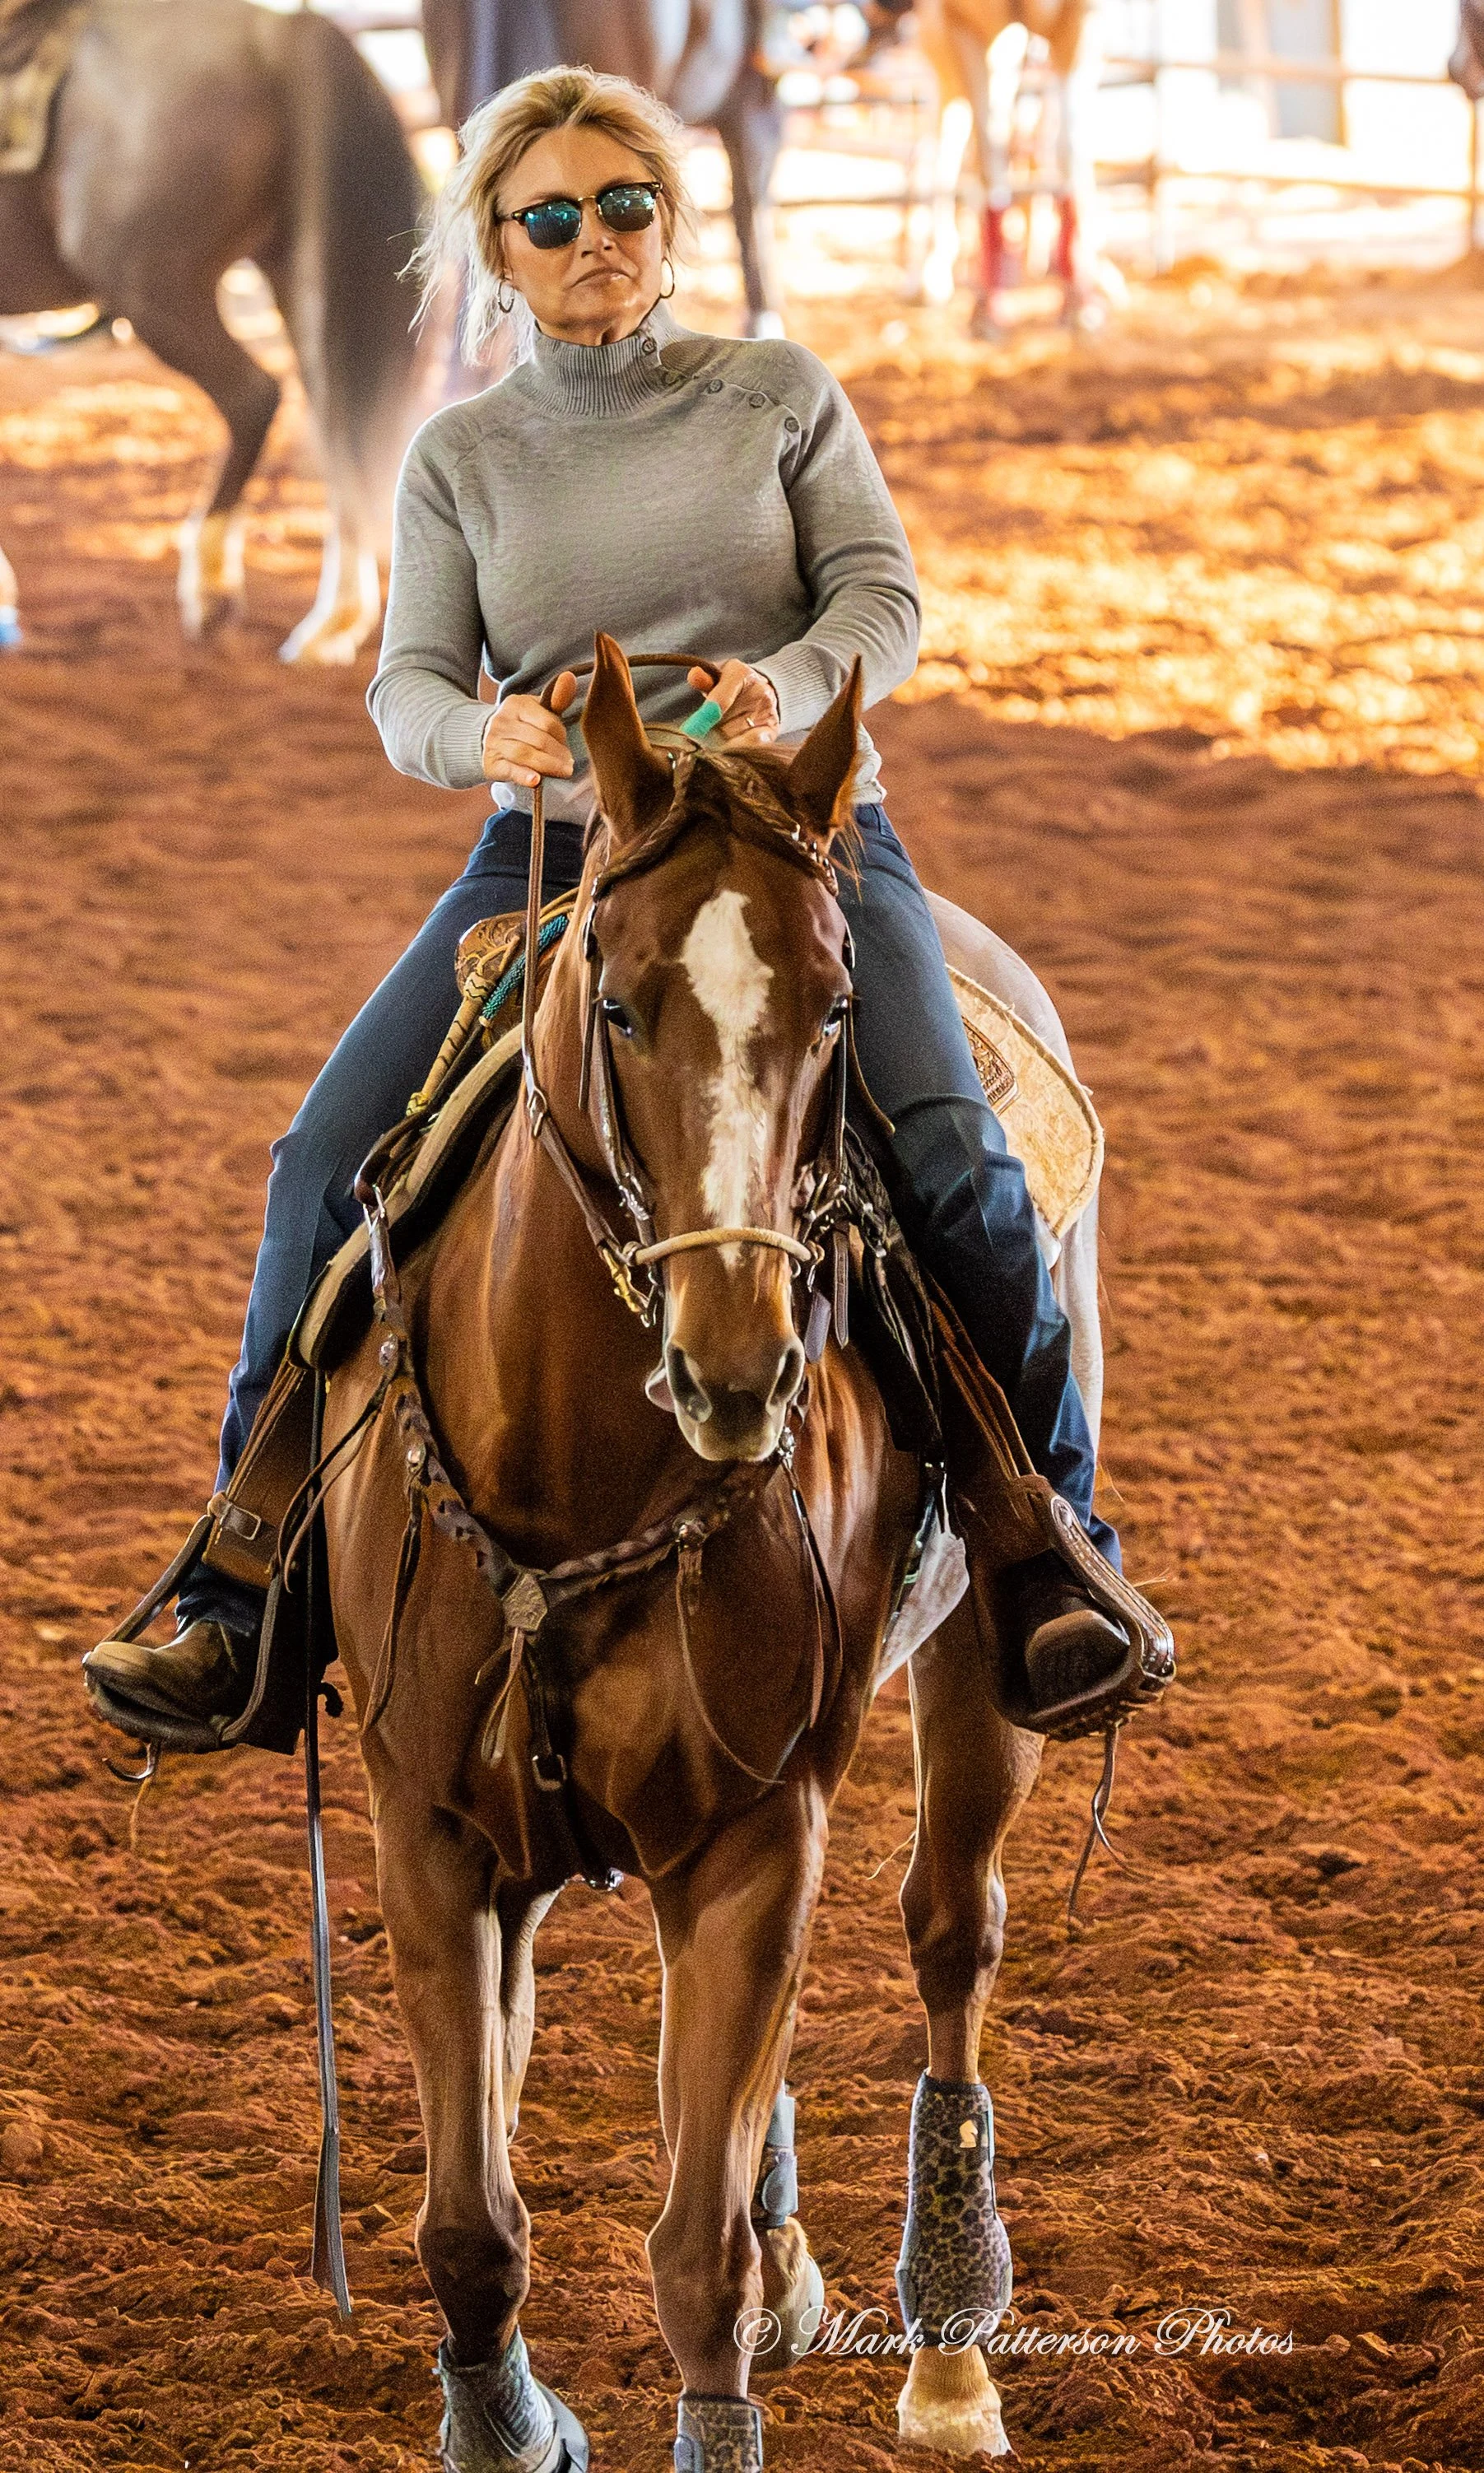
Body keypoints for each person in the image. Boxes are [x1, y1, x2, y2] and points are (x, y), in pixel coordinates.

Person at [86, 64, 1127, 1739]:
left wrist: (782, 690)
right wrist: (472, 730)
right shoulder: (461, 457)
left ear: (671, 220)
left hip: (803, 833)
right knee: (316, 1157)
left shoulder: (778, 391)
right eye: (550, 217)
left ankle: (1048, 1541)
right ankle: (242, 1580)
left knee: (947, 1145)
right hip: (557, 855)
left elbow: (883, 597)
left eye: (623, 206)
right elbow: (404, 683)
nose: (594, 242)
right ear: (497, 246)